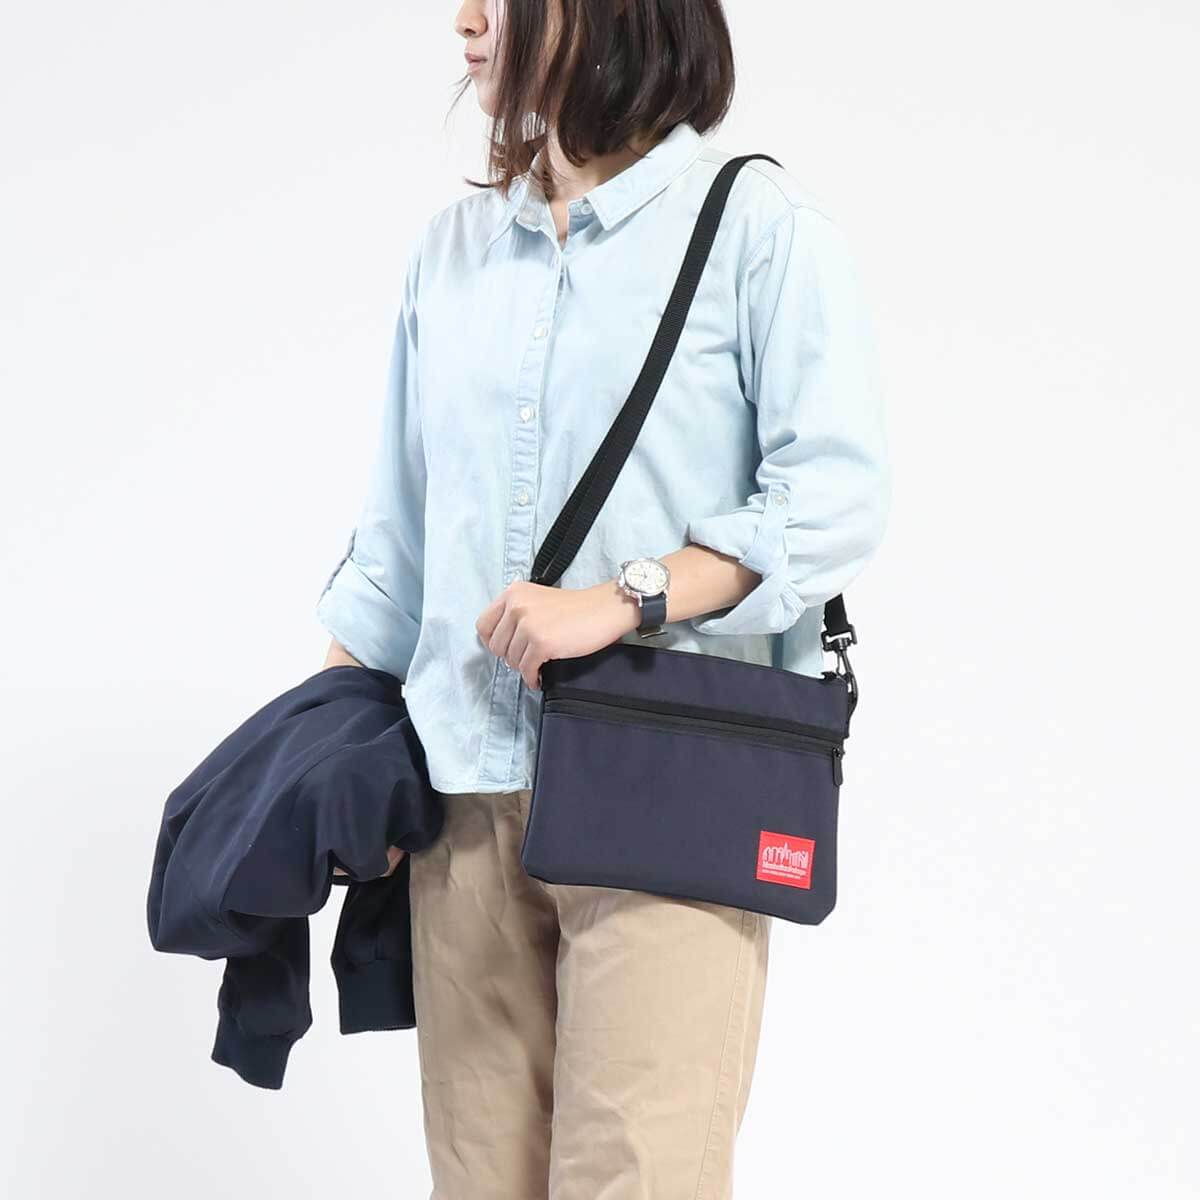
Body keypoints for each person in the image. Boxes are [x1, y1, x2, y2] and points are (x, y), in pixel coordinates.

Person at [318, 1, 891, 1196]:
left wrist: (627, 597)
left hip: (667, 791)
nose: (466, 20)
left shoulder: (756, 231)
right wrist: (320, 758)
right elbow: (394, 551)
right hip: (463, 806)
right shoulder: (454, 253)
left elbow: (832, 500)